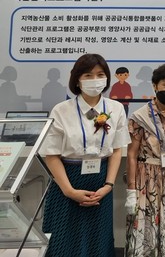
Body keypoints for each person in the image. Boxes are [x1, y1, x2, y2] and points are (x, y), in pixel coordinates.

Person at [40, 53, 130, 257]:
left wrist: (108, 185)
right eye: (88, 75)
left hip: (101, 183)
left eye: (100, 74)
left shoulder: (116, 109)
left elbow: (117, 149)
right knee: (64, 242)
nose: (95, 79)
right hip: (67, 183)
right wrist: (70, 191)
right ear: (77, 80)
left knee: (98, 242)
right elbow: (51, 155)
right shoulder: (61, 110)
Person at [125, 63, 165, 257]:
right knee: (145, 228)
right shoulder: (140, 117)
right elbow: (131, 154)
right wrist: (131, 190)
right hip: (146, 181)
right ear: (155, 86)